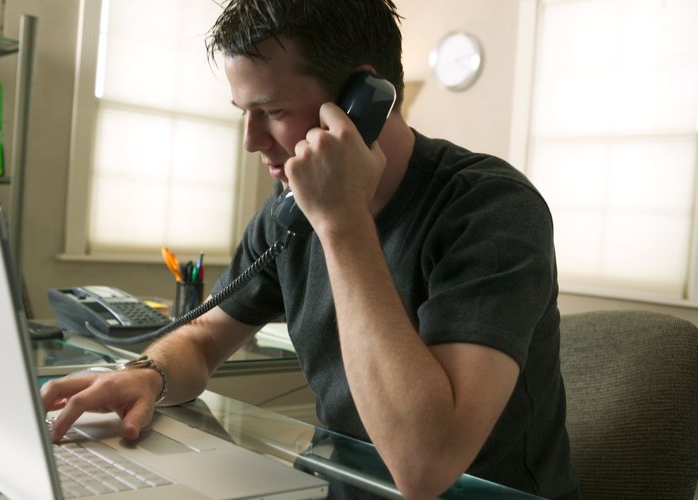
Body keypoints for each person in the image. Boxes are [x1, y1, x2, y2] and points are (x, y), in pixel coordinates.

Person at [42, 1, 581, 499]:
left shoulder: (490, 208)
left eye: (272, 109)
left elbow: (425, 465)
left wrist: (341, 220)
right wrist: (149, 374)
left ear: (363, 102)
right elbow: (205, 336)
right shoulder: (287, 211)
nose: (251, 140)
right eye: (242, 112)